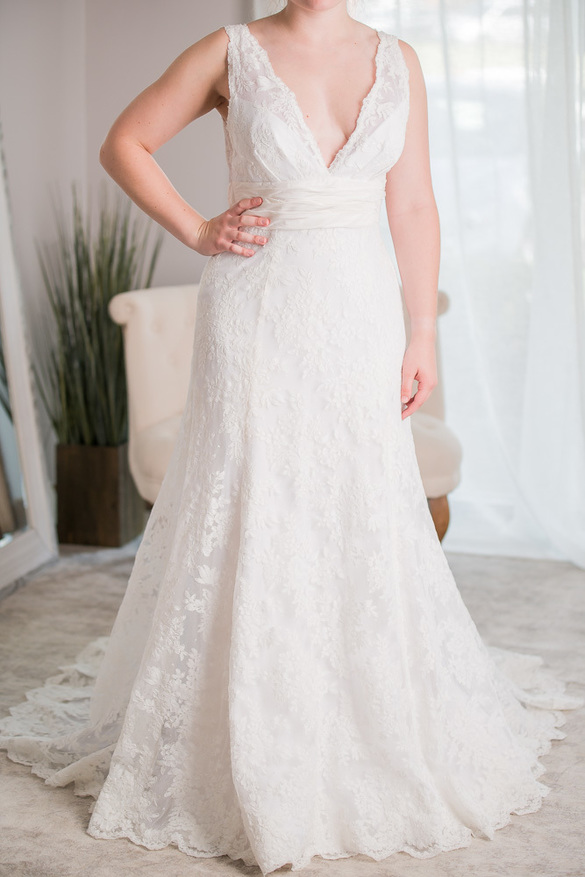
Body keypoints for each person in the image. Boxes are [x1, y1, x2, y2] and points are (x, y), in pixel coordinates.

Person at [0, 2, 582, 875]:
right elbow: (124, 142)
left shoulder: (398, 61)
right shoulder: (229, 51)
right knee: (256, 499)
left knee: (356, 502)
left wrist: (421, 333)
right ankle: (248, 722)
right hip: (257, 311)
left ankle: (359, 708)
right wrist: (198, 228)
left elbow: (412, 203)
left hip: (359, 314)